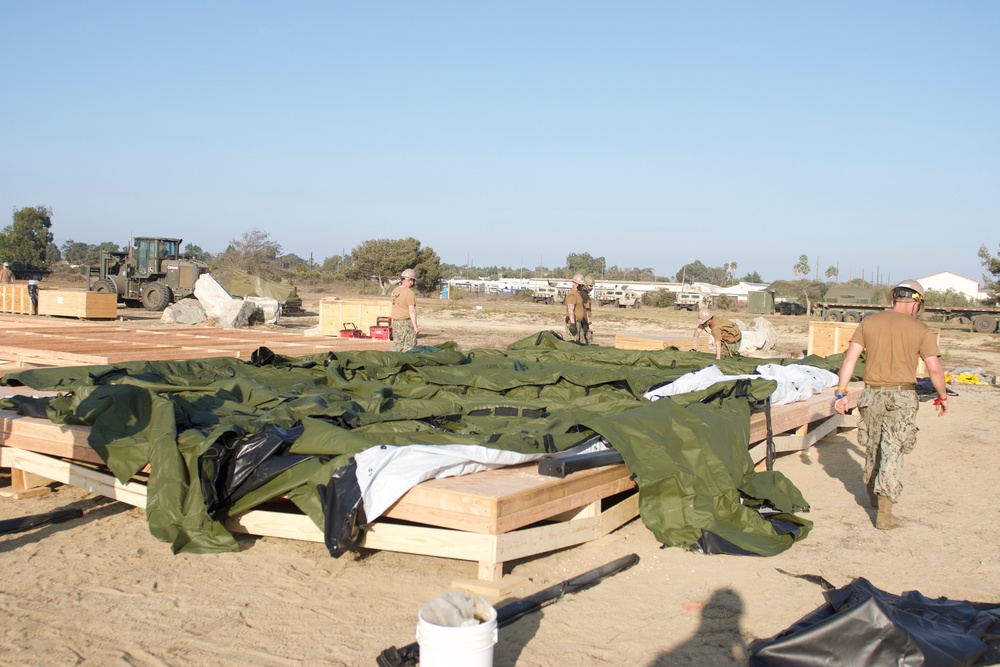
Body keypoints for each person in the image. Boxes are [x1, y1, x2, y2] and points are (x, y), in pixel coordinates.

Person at [834, 279, 948, 530]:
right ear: (917, 303)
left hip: (871, 394)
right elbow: (934, 369)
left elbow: (850, 358)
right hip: (903, 397)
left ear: (895, 298)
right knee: (892, 448)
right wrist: (942, 395)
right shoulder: (921, 329)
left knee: (873, 443)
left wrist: (841, 393)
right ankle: (885, 512)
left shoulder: (869, 323)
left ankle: (872, 493)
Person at [390, 268, 420, 352]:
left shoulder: (395, 291)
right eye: (413, 280)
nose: (413, 283)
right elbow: (412, 311)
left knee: (397, 345)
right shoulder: (409, 292)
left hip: (395, 322)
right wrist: (415, 327)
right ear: (409, 280)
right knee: (409, 345)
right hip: (405, 322)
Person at [564, 273, 592, 344]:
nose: (581, 286)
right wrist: (573, 324)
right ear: (574, 283)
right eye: (580, 285)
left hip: (578, 322)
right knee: (573, 343)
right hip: (573, 322)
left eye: (582, 285)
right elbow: (571, 310)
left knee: (580, 342)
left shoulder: (578, 294)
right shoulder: (572, 294)